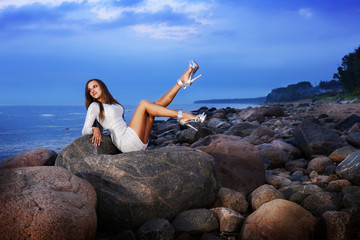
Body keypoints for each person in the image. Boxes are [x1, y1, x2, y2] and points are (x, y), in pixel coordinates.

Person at [81, 60, 206, 153]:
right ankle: (182, 115)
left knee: (153, 106)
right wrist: (94, 129)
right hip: (125, 142)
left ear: (102, 86)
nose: (92, 90)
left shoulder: (112, 102)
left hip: (139, 141)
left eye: (95, 86)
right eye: (90, 90)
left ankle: (180, 82)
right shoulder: (94, 106)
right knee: (144, 104)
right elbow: (84, 129)